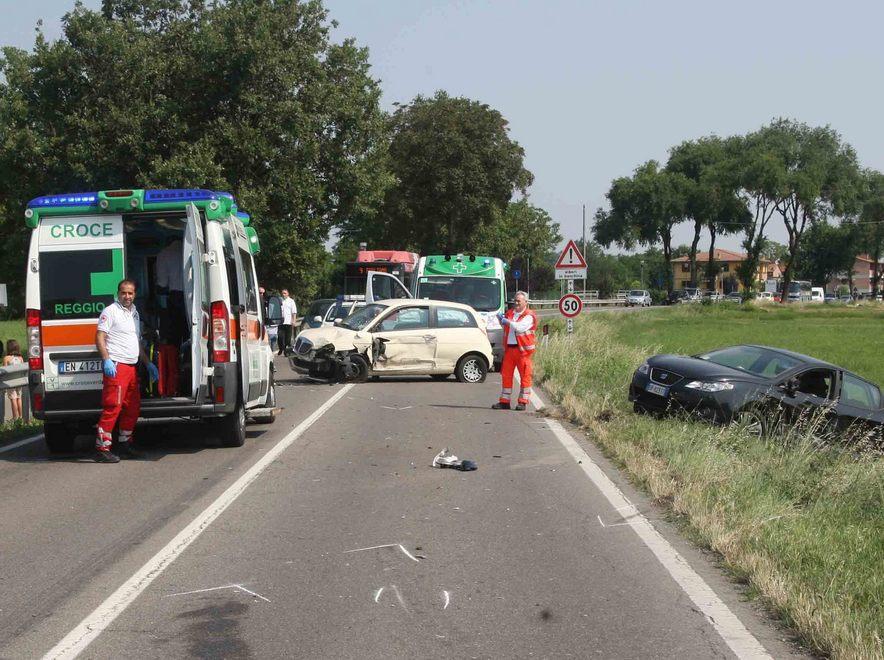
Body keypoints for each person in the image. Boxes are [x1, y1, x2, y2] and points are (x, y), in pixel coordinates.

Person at [94, 279, 159, 463]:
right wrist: (107, 360)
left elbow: (135, 343)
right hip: (117, 365)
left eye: (130, 293)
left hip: (131, 367)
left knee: (132, 407)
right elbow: (99, 337)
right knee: (113, 406)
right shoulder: (110, 311)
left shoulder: (134, 314)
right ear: (118, 293)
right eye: (123, 292)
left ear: (135, 294)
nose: (127, 296)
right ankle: (102, 448)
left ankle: (125, 444)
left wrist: (148, 363)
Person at [493, 291, 538, 411]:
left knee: (525, 376)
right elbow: (505, 326)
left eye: (519, 301)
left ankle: (523, 402)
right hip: (509, 350)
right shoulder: (510, 313)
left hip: (523, 351)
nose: (516, 303)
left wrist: (506, 321)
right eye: (515, 300)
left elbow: (520, 327)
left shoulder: (529, 315)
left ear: (526, 302)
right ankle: (504, 401)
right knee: (506, 375)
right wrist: (500, 319)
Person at [3, 340, 24, 420]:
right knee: (19, 398)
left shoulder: (6, 358)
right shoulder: (20, 358)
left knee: (13, 399)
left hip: (11, 382)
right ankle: (21, 416)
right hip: (19, 381)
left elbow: (4, 371)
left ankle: (15, 417)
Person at [278, 289, 297, 356]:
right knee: (280, 337)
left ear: (288, 294)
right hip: (281, 322)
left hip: (288, 322)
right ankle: (281, 348)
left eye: (285, 293)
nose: (283, 294)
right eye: (282, 293)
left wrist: (294, 321)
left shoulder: (291, 301)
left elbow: (294, 312)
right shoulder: (280, 300)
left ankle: (286, 351)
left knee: (288, 339)